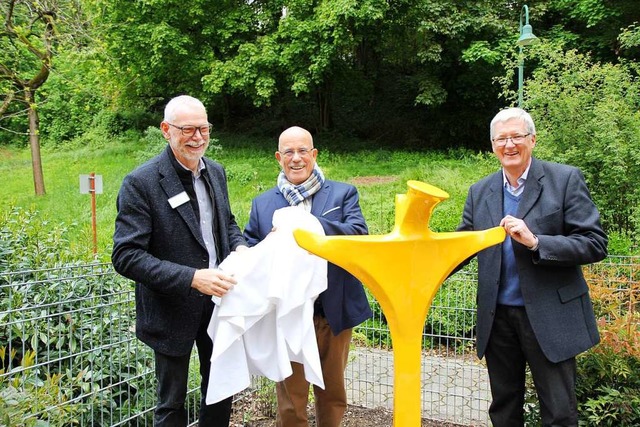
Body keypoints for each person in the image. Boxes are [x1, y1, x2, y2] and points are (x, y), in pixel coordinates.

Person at [456, 107, 608, 426]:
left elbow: (594, 242)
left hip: (549, 316)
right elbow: (461, 247)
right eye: (501, 138)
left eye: (517, 136)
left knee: (558, 411)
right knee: (504, 407)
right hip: (498, 318)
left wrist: (536, 241)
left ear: (533, 140)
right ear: (493, 145)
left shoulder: (564, 179)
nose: (509, 145)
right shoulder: (479, 191)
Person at [112, 95, 247, 426]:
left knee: (219, 391)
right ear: (165, 130)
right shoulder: (141, 183)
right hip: (171, 309)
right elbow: (126, 256)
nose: (198, 137)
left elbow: (226, 223)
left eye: (203, 128)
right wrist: (191, 277)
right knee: (170, 403)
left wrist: (241, 247)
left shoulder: (216, 172)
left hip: (219, 302)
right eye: (188, 129)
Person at [243, 126, 373, 427]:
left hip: (332, 312)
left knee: (332, 392)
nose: (296, 158)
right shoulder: (263, 204)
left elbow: (358, 233)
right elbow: (250, 248)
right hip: (286, 315)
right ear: (278, 157)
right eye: (288, 152)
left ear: (314, 154)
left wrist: (306, 226)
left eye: (303, 151)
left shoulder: (343, 193)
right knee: (290, 397)